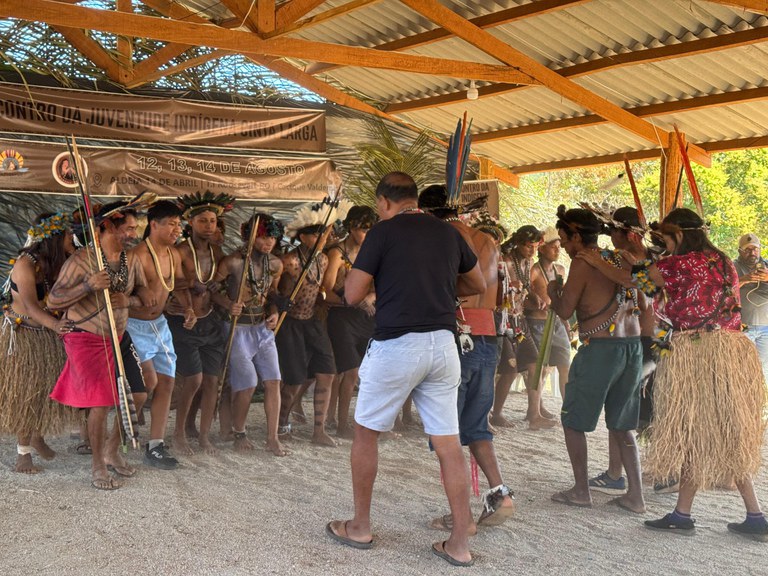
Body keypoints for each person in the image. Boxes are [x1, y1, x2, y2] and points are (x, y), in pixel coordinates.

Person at [326, 172, 485, 567]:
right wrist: (435, 287)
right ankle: (459, 544)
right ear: (414, 198)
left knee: (366, 433)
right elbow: (477, 283)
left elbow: (351, 294)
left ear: (383, 202)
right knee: (449, 444)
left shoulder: (383, 232)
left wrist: (388, 286)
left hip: (397, 344)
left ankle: (360, 526)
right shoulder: (448, 231)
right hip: (443, 345)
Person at [580, 208, 768, 540]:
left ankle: (697, 515)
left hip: (697, 353)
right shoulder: (723, 260)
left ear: (679, 235)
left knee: (696, 431)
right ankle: (740, 516)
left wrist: (596, 261)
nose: (665, 245)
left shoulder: (679, 263)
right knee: (725, 433)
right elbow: (651, 279)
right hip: (730, 352)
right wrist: (637, 261)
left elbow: (634, 280)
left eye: (667, 240)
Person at [418, 184, 515, 531]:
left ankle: (460, 517)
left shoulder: (440, 237)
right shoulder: (488, 240)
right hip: (488, 336)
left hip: (458, 337)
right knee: (475, 426)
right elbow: (499, 293)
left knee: (446, 431)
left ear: (425, 213)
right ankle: (500, 493)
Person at [547, 205, 645, 513]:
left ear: (576, 236)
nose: (563, 246)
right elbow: (643, 298)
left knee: (573, 421)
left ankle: (581, 491)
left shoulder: (582, 262)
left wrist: (553, 291)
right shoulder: (621, 258)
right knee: (622, 425)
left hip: (600, 350)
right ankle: (636, 497)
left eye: (564, 239)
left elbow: (565, 311)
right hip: (632, 349)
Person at [47, 201, 147, 489]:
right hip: (86, 338)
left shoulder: (131, 260)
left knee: (138, 394)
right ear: (107, 226)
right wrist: (87, 286)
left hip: (119, 337)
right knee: (101, 403)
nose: (133, 234)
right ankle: (97, 467)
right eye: (128, 228)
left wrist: (128, 300)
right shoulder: (81, 261)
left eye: (135, 228)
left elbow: (146, 296)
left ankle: (111, 451)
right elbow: (53, 301)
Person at [585, 207, 659, 496]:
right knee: (622, 408)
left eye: (613, 231)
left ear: (627, 233)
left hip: (653, 342)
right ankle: (615, 472)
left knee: (632, 409)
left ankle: (655, 472)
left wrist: (597, 261)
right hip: (639, 340)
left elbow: (645, 294)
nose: (610, 237)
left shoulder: (648, 260)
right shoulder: (625, 258)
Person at [0, 212, 75, 474]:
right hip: (24, 337)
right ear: (54, 237)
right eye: (67, 234)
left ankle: (37, 436)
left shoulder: (56, 262)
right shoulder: (25, 264)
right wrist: (55, 325)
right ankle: (23, 454)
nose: (72, 238)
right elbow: (31, 306)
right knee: (27, 393)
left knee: (46, 388)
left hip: (45, 334)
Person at [212, 213, 286, 456]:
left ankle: (272, 438)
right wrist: (227, 304)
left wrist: (274, 311)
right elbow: (212, 291)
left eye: (272, 238)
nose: (268, 242)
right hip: (237, 329)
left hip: (262, 329)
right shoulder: (233, 262)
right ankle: (239, 432)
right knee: (248, 383)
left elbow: (272, 294)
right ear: (250, 236)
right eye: (263, 237)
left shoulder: (275, 264)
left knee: (274, 381)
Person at [127, 200, 193, 470]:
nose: (178, 229)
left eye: (179, 224)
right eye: (172, 224)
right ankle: (120, 432)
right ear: (154, 225)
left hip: (160, 325)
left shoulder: (174, 254)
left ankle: (155, 445)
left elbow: (178, 285)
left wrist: (188, 308)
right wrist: (140, 293)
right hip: (134, 325)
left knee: (167, 382)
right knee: (147, 382)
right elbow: (122, 293)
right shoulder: (136, 255)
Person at [170, 192, 233, 456]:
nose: (209, 226)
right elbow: (172, 284)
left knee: (211, 381)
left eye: (213, 221)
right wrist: (187, 302)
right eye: (203, 221)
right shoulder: (180, 252)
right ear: (191, 223)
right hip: (185, 323)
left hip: (210, 322)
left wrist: (228, 303)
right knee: (193, 379)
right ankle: (179, 434)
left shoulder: (218, 253)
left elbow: (211, 290)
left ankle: (204, 436)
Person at [276, 203, 340, 447]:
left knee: (327, 373)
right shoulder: (288, 261)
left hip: (312, 321)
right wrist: (278, 304)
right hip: (290, 323)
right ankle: (282, 424)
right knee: (294, 379)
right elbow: (272, 291)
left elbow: (321, 289)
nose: (323, 238)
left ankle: (319, 431)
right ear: (303, 237)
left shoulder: (323, 259)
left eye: (324, 234)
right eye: (317, 234)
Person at [492, 226, 556, 430]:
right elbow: (495, 289)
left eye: (535, 247)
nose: (533, 251)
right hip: (503, 319)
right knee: (510, 371)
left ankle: (534, 415)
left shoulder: (527, 262)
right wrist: (514, 290)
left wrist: (533, 296)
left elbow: (526, 286)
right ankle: (496, 413)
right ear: (518, 243)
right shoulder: (504, 259)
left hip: (520, 320)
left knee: (536, 364)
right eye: (529, 246)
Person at [322, 205, 378, 439]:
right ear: (351, 227)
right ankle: (342, 424)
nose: (367, 234)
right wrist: (351, 301)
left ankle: (363, 421)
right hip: (341, 316)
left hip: (365, 317)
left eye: (370, 230)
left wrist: (371, 297)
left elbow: (381, 284)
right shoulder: (337, 253)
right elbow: (325, 290)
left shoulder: (372, 251)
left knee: (368, 370)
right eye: (363, 230)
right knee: (350, 371)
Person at [528, 226, 571, 399]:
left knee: (565, 364)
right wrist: (533, 301)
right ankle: (535, 409)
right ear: (542, 248)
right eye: (553, 247)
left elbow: (562, 297)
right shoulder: (534, 270)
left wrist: (566, 321)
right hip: (537, 323)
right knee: (539, 369)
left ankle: (567, 408)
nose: (557, 251)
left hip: (557, 322)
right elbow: (524, 292)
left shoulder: (560, 270)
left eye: (559, 247)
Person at [734, 232, 768, 384]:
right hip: (743, 326)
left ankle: (760, 396)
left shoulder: (766, 266)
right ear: (740, 251)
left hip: (766, 327)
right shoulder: (733, 267)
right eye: (747, 250)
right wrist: (744, 279)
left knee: (763, 368)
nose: (752, 253)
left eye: (755, 249)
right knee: (743, 366)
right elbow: (723, 290)